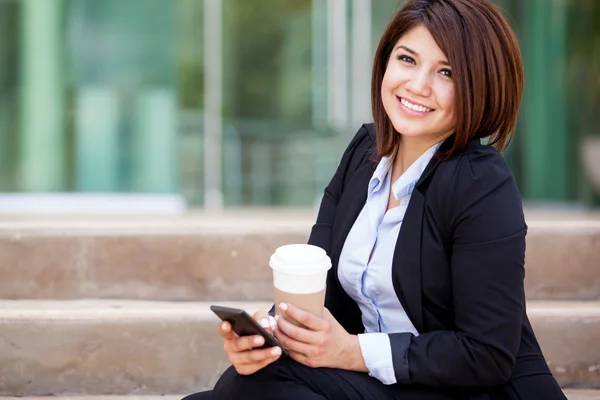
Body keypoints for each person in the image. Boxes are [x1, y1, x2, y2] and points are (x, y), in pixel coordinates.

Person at [184, 0, 567, 398]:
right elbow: (323, 291)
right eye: (407, 59)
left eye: (446, 72)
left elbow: (486, 355)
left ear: (481, 86)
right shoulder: (364, 152)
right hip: (385, 383)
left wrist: (352, 351)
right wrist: (270, 337)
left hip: (463, 388)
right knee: (247, 383)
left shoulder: (481, 182)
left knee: (252, 390)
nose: (418, 85)